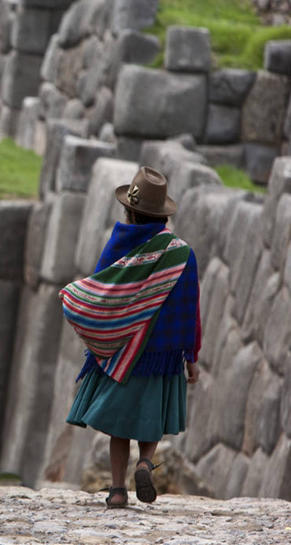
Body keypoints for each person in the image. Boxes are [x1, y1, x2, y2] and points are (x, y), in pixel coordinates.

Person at [60, 166, 201, 508]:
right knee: (151, 422)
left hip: (121, 353)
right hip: (163, 355)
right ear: (161, 215)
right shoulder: (182, 254)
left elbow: (102, 291)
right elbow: (190, 309)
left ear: (129, 210)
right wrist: (192, 355)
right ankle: (145, 462)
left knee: (119, 428)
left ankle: (118, 490)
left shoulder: (119, 242)